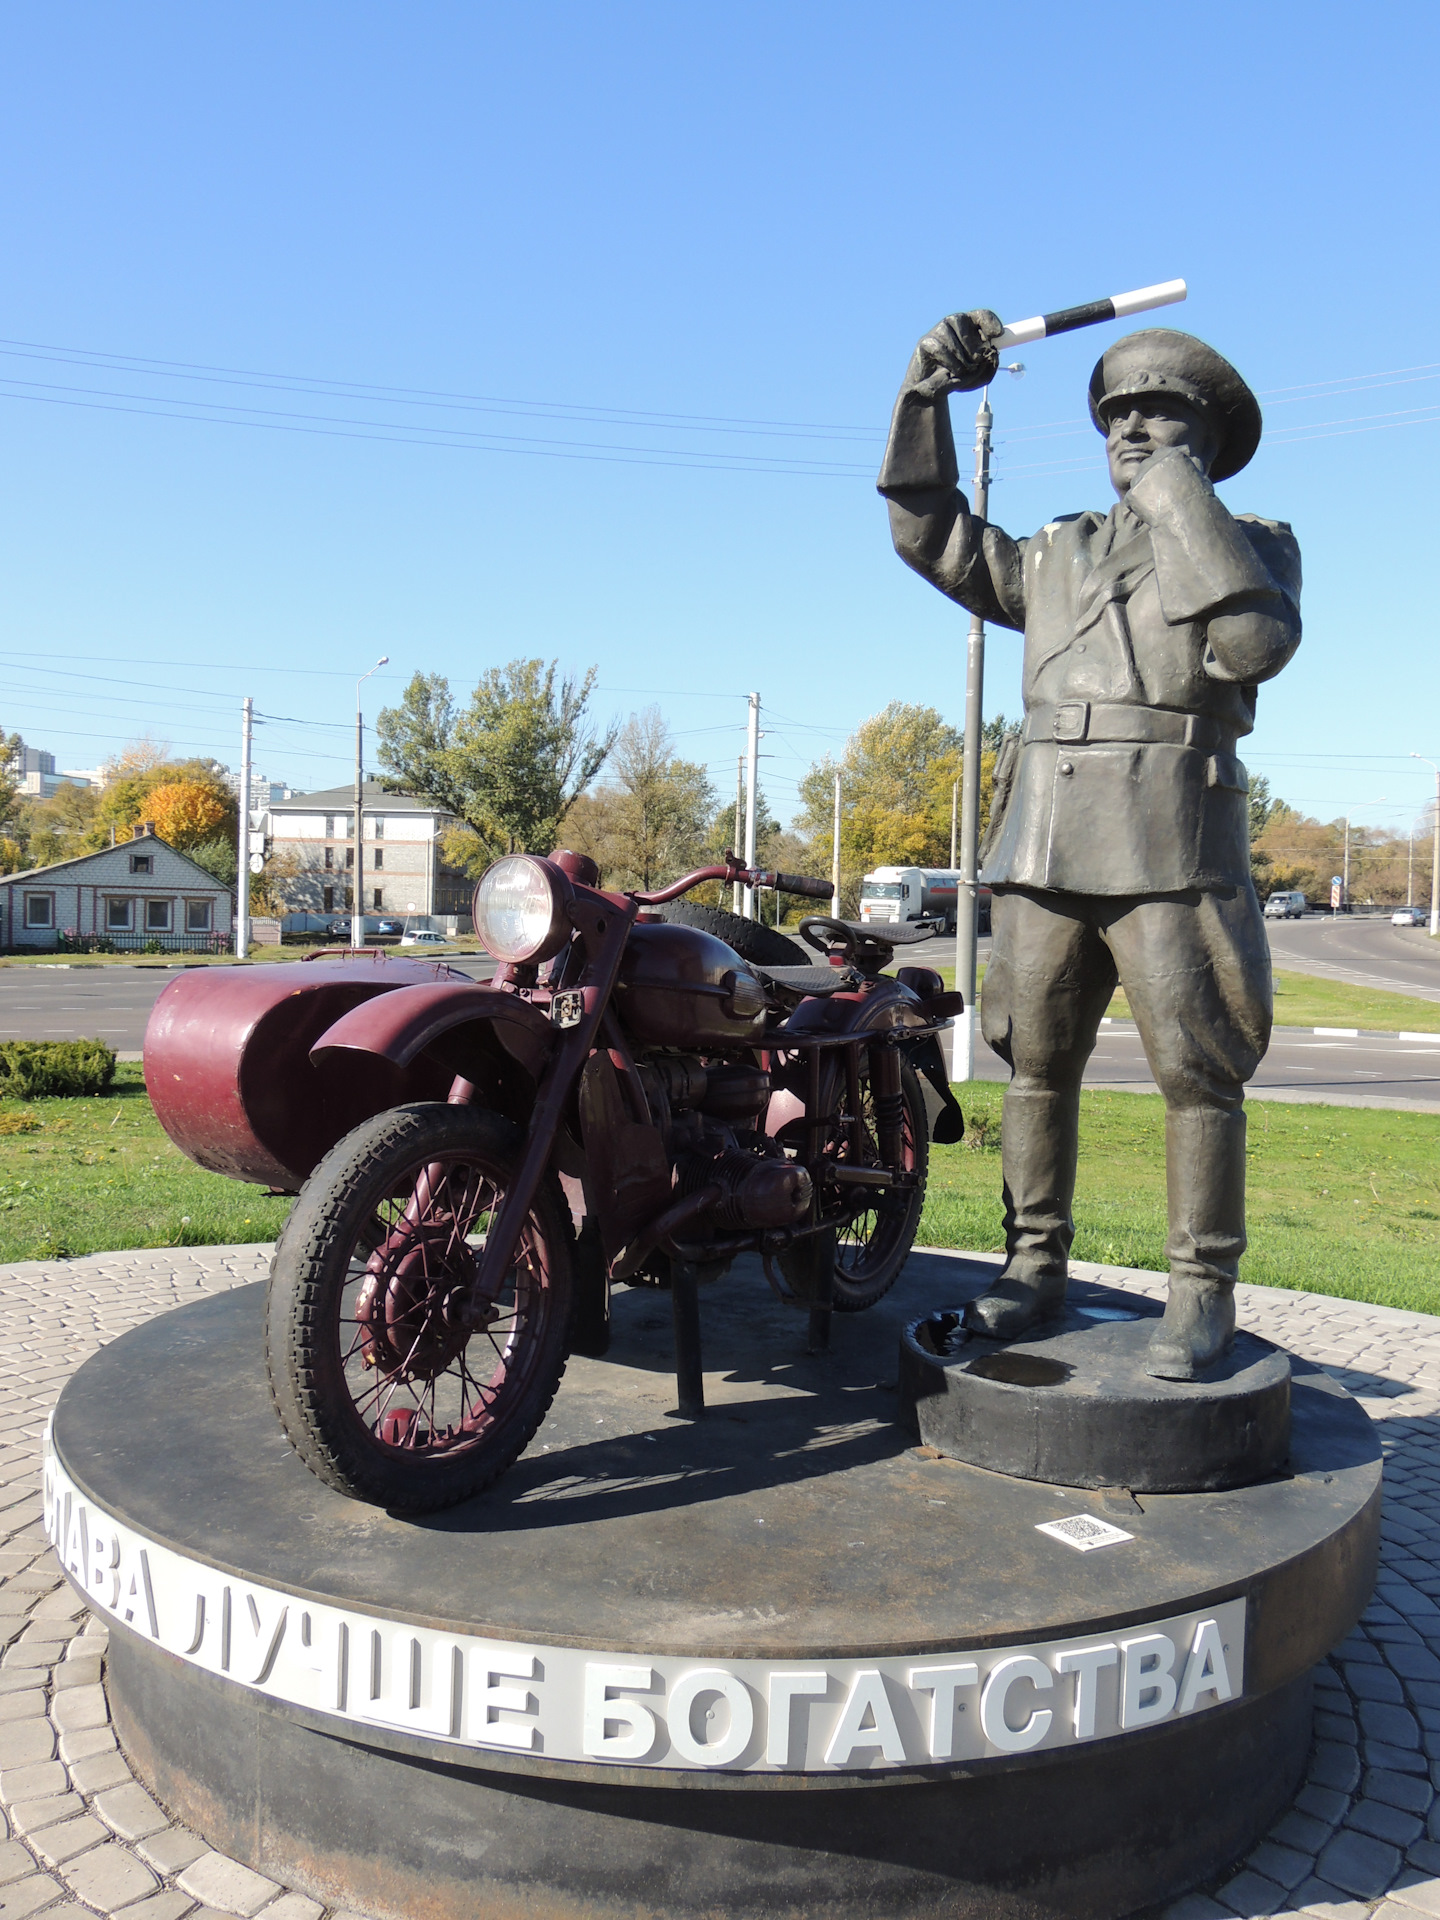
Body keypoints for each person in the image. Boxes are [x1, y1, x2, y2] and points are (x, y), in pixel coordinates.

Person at [877, 314, 1301, 1378]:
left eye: (1157, 411)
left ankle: (1199, 1291)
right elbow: (928, 529)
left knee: (1199, 1075)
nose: (1129, 428)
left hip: (1170, 839)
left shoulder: (1255, 543)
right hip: (1049, 838)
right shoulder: (1057, 553)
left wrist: (1174, 501)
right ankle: (1032, 1268)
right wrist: (924, 396)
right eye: (1116, 413)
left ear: (1208, 432)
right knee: (1035, 1067)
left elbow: (1251, 643)